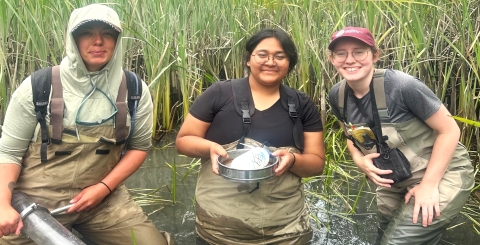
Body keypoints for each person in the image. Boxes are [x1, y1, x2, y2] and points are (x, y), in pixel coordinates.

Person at [0, 4, 174, 245]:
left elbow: (139, 148)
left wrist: (103, 188)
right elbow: (8, 152)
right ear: (73, 39)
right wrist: (3, 205)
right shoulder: (38, 87)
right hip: (35, 203)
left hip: (102, 201)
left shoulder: (135, 90)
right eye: (87, 33)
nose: (98, 41)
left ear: (117, 40)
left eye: (108, 34)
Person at [175, 28, 326, 244]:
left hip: (286, 229)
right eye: (262, 54)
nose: (270, 62)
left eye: (280, 56)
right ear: (248, 59)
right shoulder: (219, 93)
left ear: (290, 63)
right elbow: (183, 141)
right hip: (220, 228)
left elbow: (316, 163)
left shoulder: (301, 104)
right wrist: (210, 148)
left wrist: (293, 160)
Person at [327, 26, 475, 245]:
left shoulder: (401, 87)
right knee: (383, 236)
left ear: (375, 55)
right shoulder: (337, 95)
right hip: (395, 180)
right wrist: (360, 161)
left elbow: (450, 130)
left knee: (394, 242)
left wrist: (428, 185)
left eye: (359, 51)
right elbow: (350, 137)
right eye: (341, 53)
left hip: (443, 174)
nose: (350, 59)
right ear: (332, 59)